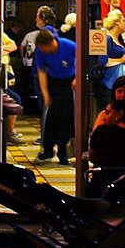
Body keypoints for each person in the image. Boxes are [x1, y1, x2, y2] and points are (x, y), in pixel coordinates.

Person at [33, 29, 76, 165]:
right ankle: (47, 150)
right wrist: (45, 93)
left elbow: (83, 60)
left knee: (66, 117)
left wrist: (77, 78)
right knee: (50, 117)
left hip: (69, 82)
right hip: (52, 81)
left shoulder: (68, 45)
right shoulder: (40, 51)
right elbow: (41, 72)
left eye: (45, 48)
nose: (43, 51)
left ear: (52, 42)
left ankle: (64, 152)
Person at [94, 9, 125, 110]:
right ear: (117, 22)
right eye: (123, 21)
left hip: (116, 81)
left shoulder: (119, 40)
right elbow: (103, 62)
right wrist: (120, 60)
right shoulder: (107, 39)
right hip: (108, 83)